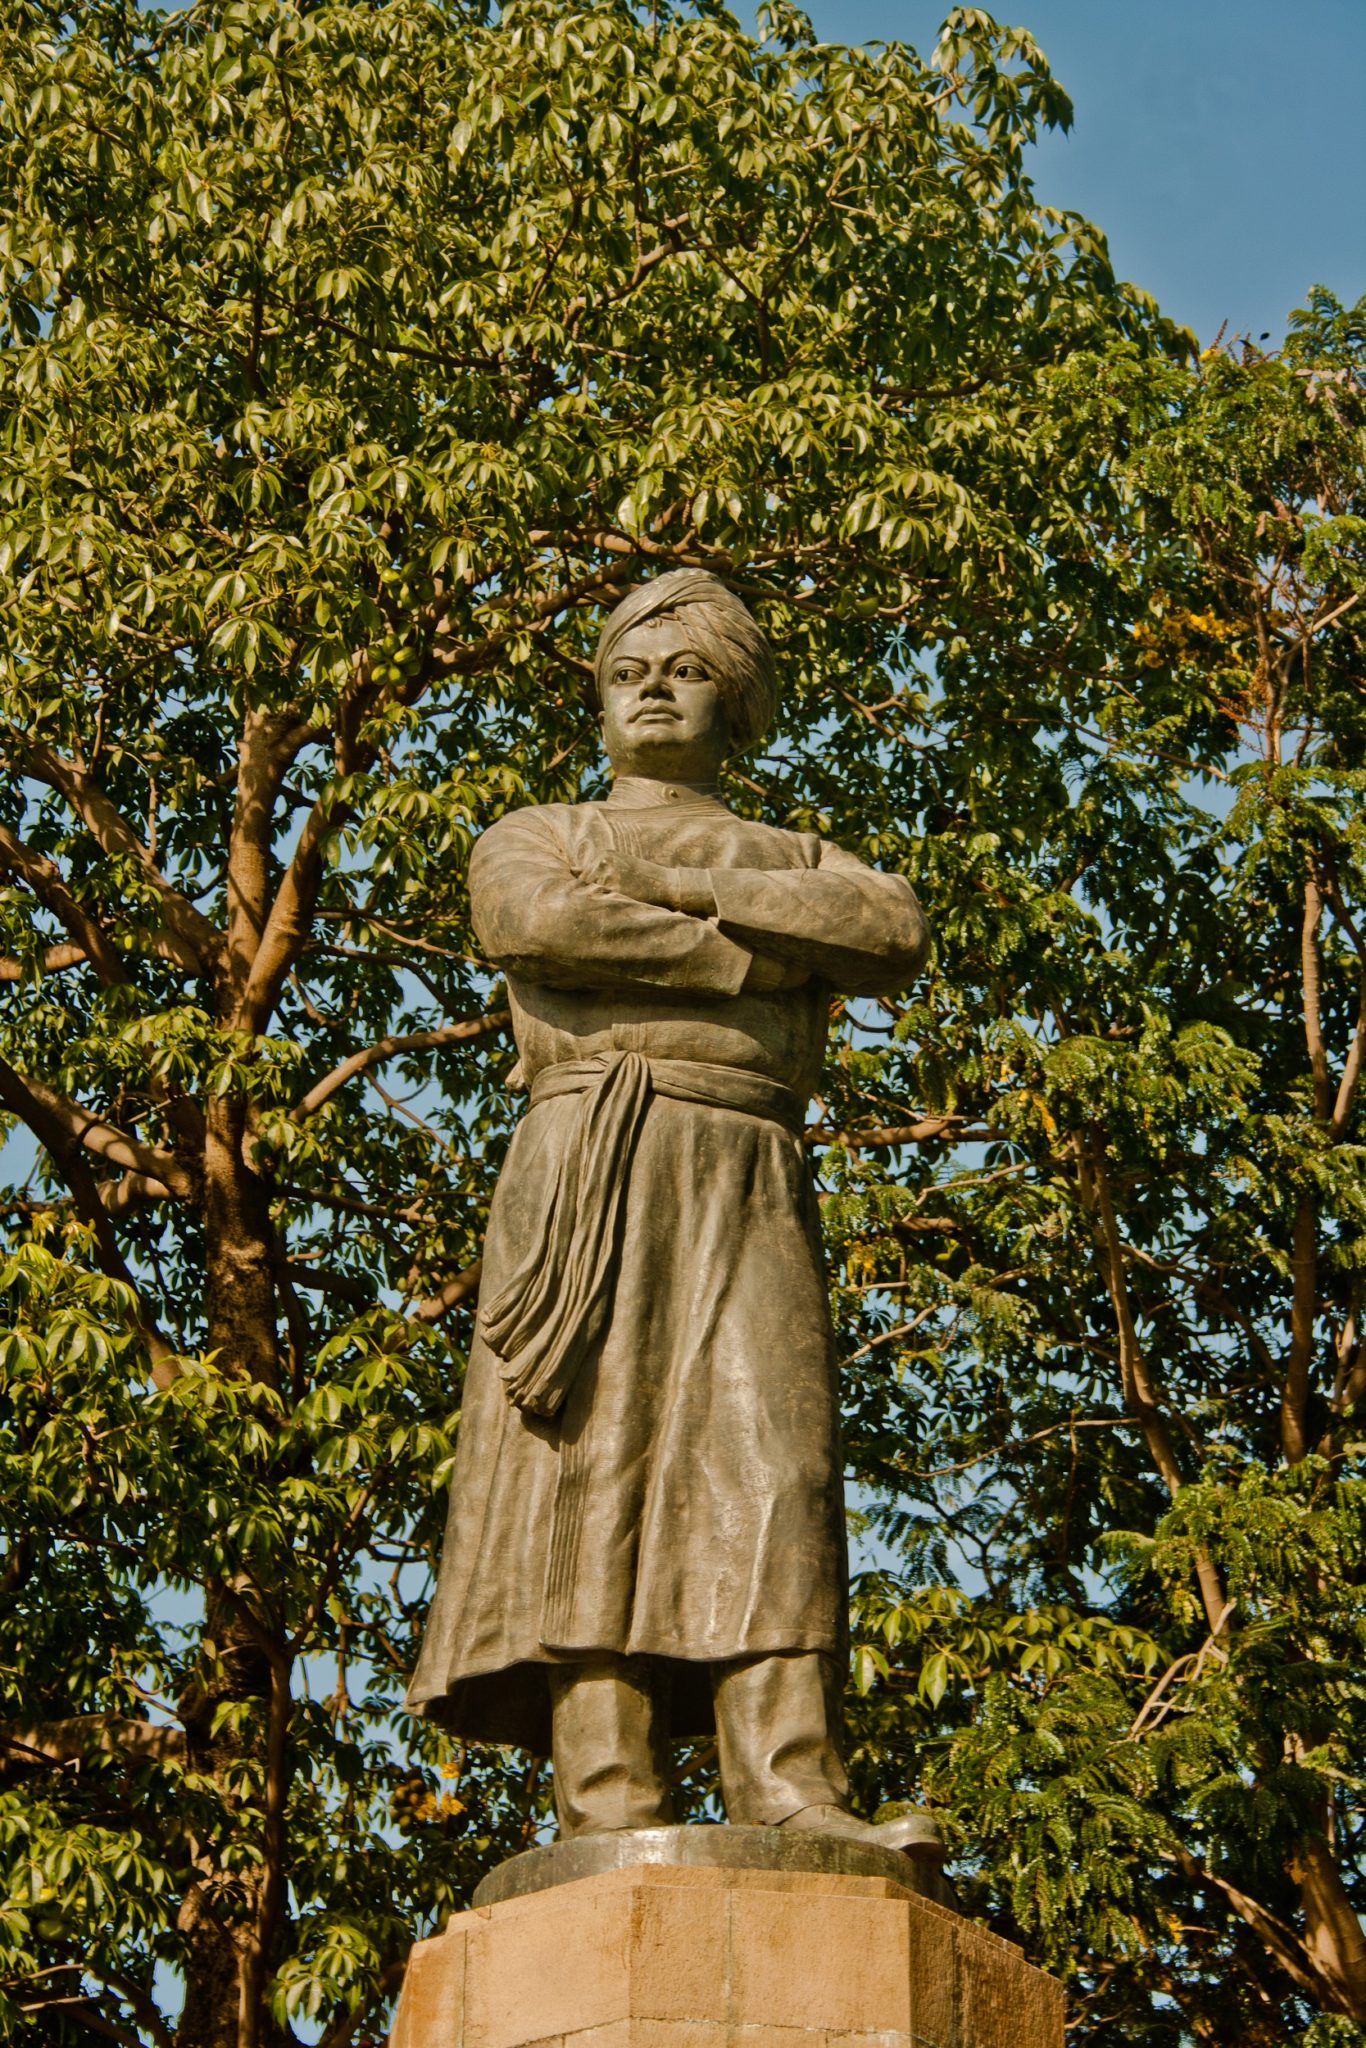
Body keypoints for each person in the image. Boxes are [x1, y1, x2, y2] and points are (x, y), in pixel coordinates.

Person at [407, 568, 931, 1847]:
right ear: (597, 695)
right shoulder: (536, 831)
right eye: (629, 669)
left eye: (685, 668)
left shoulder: (803, 850)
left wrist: (698, 889)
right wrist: (763, 954)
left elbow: (886, 926)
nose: (652, 686)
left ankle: (793, 1784)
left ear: (734, 698)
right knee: (588, 1460)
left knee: (777, 1462)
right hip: (591, 1157)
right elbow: (537, 924)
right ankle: (604, 1795)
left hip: (748, 1166)